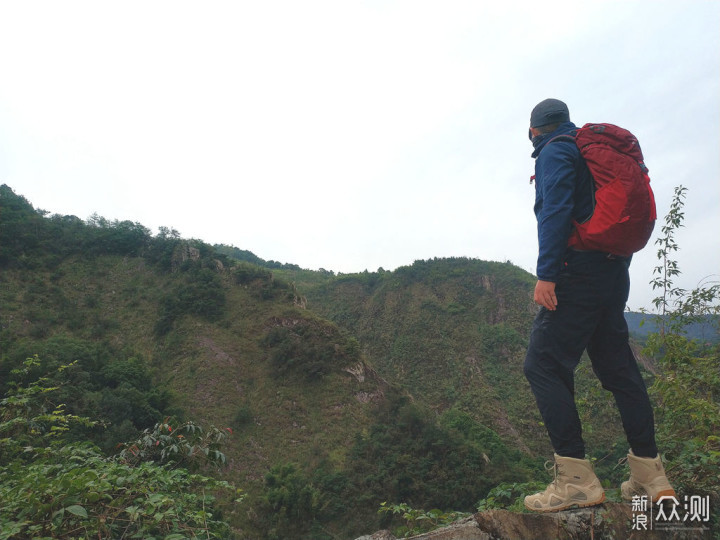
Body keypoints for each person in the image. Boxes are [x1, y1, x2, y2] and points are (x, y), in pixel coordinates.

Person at [522, 98, 675, 512]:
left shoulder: (555, 150)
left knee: (542, 364)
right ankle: (650, 473)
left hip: (577, 271)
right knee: (618, 368)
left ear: (534, 130)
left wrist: (547, 273)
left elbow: (554, 210)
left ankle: (575, 482)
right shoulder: (590, 148)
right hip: (613, 270)